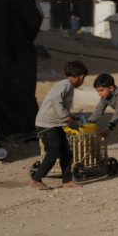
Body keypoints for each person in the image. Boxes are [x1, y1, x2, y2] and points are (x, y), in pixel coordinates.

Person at [30, 60, 88, 189]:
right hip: (46, 124)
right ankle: (36, 179)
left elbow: (58, 104)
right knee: (54, 151)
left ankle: (67, 181)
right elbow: (56, 100)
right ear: (81, 76)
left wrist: (69, 116)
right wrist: (66, 118)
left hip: (54, 124)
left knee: (66, 152)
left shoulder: (66, 85)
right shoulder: (66, 85)